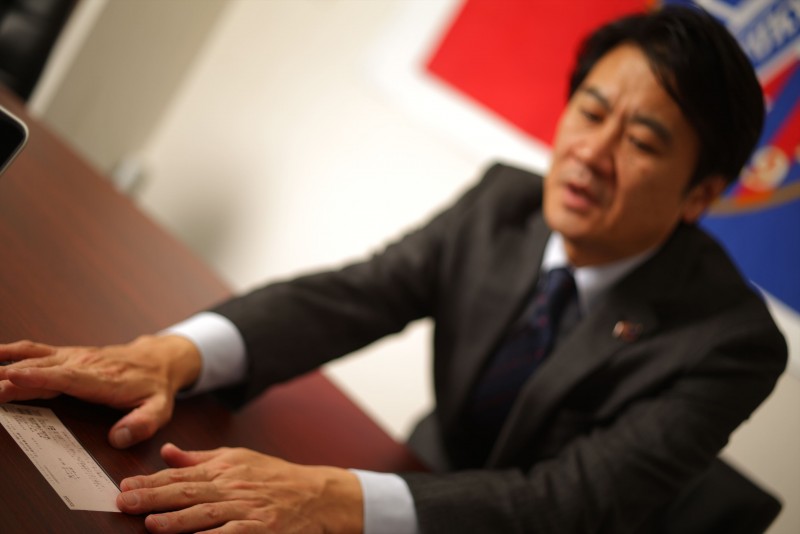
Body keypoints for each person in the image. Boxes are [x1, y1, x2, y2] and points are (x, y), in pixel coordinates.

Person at [0, 5, 787, 533]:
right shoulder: (505, 203)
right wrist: (172, 354)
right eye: (590, 110)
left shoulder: (731, 342)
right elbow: (352, 296)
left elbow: (571, 504)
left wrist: (330, 494)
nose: (591, 152)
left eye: (642, 142)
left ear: (700, 195)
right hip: (421, 479)